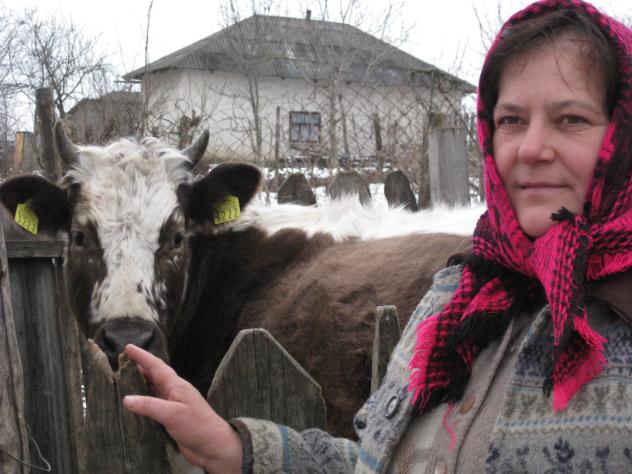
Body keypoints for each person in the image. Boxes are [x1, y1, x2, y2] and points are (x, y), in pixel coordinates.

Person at [123, 0, 632, 471]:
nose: (532, 148)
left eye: (571, 118)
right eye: (512, 120)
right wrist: (238, 449)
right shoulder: (458, 297)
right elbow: (383, 462)